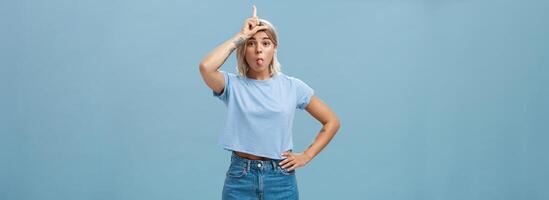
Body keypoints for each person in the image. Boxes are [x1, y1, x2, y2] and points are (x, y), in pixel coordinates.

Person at [199, 5, 341, 200]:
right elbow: (206, 67)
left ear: (275, 48)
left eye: (265, 43)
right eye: (251, 43)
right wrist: (240, 36)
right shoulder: (232, 85)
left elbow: (331, 121)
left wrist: (306, 155)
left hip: (280, 178)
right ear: (244, 49)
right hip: (240, 177)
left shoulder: (292, 86)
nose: (258, 50)